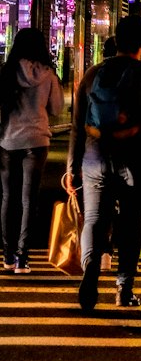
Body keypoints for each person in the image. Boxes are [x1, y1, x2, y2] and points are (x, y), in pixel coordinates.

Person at [69, 15, 141, 311]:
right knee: (131, 223)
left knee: (94, 219)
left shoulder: (92, 75)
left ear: (116, 39)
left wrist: (71, 166)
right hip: (135, 162)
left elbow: (77, 125)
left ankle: (91, 265)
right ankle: (124, 289)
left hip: (94, 159)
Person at [0, 28, 65, 273]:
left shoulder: (7, 71)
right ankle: (22, 259)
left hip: (8, 140)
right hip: (37, 141)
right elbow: (57, 108)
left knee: (8, 198)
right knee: (29, 200)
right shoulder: (48, 74)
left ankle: (6, 256)